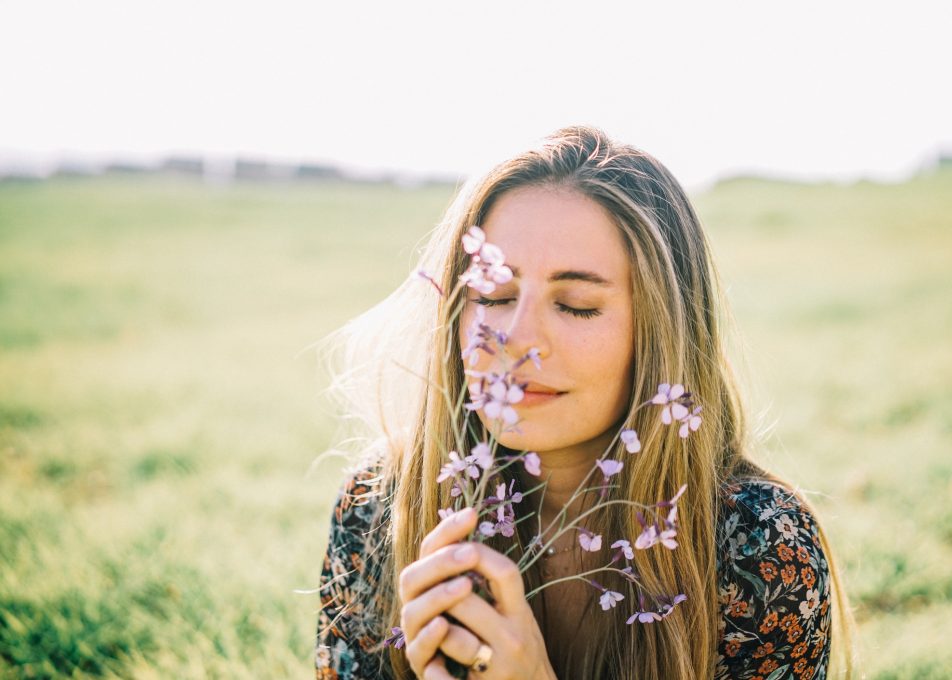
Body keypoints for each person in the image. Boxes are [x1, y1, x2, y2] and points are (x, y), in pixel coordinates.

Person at [315, 126, 853, 679]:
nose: (517, 340)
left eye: (575, 305)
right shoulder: (382, 504)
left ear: (659, 333)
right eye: (493, 296)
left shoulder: (756, 545)